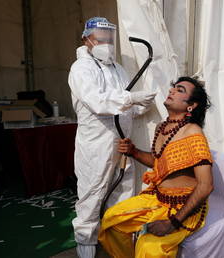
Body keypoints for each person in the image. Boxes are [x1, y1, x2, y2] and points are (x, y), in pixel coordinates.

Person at [68, 17, 157, 258]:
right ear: (87, 38)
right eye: (101, 38)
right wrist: (131, 99)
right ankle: (86, 241)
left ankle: (117, 234)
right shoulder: (81, 69)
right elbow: (98, 102)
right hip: (96, 144)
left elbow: (125, 104)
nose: (106, 43)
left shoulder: (117, 68)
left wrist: (141, 106)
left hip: (122, 142)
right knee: (92, 191)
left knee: (123, 187)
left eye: (109, 38)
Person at [98, 76, 213, 257]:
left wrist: (172, 223)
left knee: (148, 247)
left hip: (182, 209)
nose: (172, 91)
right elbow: (159, 162)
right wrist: (134, 152)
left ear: (191, 105)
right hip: (156, 198)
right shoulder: (162, 127)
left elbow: (205, 186)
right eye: (173, 87)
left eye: (180, 90)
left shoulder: (193, 133)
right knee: (111, 221)